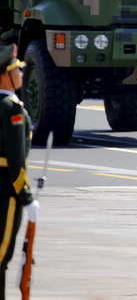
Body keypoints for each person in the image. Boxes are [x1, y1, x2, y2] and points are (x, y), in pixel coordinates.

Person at [0, 44, 39, 299]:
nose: (21, 75)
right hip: (4, 190)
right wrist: (26, 197)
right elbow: (16, 162)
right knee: (1, 255)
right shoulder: (11, 108)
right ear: (5, 73)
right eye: (17, 70)